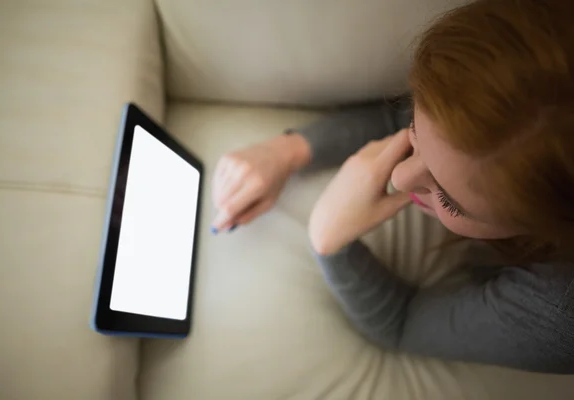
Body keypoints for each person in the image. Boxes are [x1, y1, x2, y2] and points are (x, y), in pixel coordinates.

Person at [210, 0, 574, 373]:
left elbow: (405, 324)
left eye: (450, 199)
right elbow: (416, 126)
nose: (400, 178)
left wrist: (329, 237)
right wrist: (290, 150)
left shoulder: (558, 315)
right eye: (415, 130)